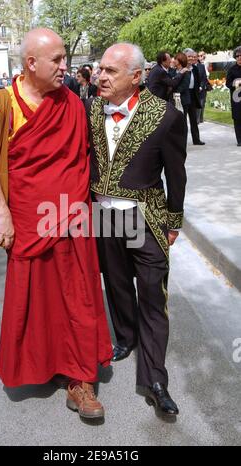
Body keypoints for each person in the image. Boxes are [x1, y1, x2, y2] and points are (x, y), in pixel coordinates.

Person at [0, 28, 112, 419]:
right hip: (29, 222)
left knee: (77, 296)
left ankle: (81, 380)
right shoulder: (2, 103)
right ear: (31, 63)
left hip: (73, 218)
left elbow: (84, 156)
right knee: (39, 302)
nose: (65, 66)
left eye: (65, 58)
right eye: (57, 60)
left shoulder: (70, 102)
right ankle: (48, 364)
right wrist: (2, 212)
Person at [85, 43, 187, 417]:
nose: (101, 76)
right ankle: (125, 337)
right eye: (100, 69)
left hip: (146, 217)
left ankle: (155, 378)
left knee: (151, 293)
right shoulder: (92, 108)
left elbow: (177, 174)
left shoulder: (165, 116)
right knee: (115, 283)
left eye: (111, 71)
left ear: (136, 76)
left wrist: (174, 221)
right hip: (104, 216)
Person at [183, 48, 205, 145]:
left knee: (194, 119)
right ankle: (182, 141)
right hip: (184, 95)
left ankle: (196, 139)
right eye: (189, 56)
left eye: (192, 56)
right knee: (182, 120)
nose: (191, 58)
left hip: (192, 95)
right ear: (184, 57)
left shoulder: (195, 69)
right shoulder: (181, 68)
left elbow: (197, 82)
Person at [226, 46, 241, 147]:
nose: (239, 57)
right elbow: (228, 83)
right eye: (237, 56)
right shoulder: (231, 69)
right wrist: (236, 83)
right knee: (237, 118)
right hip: (236, 97)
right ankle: (239, 140)